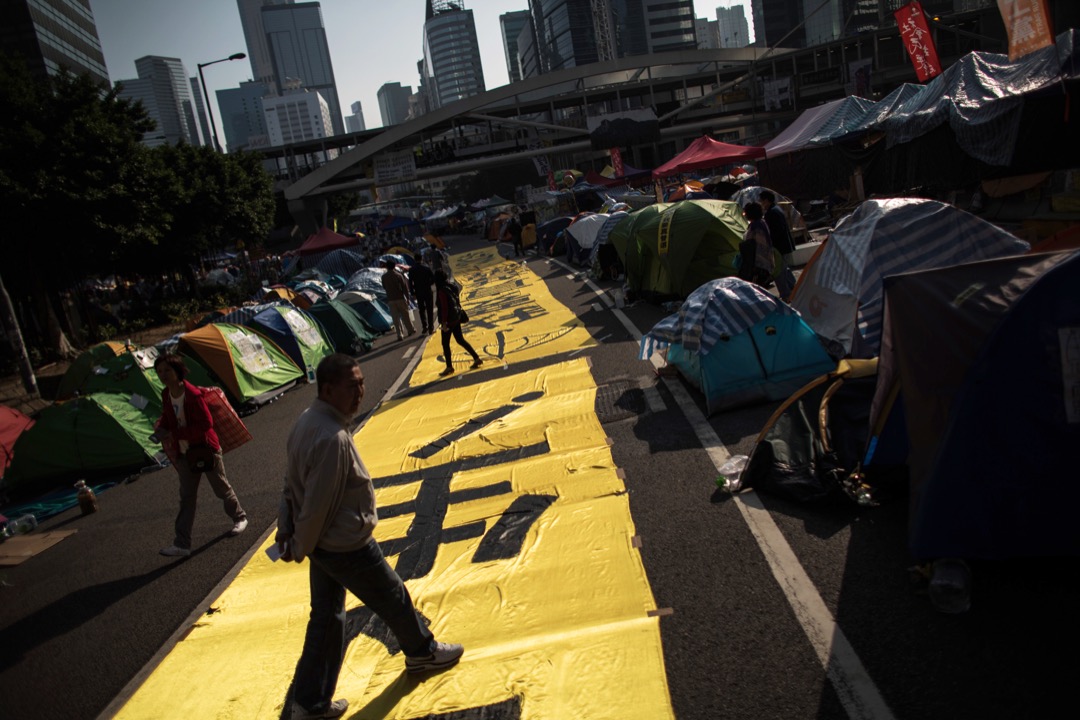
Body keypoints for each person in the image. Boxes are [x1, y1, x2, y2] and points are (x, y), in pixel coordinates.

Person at [276, 354, 464, 719]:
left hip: (323, 545)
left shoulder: (307, 422)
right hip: (344, 543)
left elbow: (290, 486)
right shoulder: (332, 438)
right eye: (352, 385)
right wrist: (298, 545)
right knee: (392, 595)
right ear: (328, 389)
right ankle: (421, 651)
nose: (360, 391)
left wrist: (288, 528)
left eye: (362, 383)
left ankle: (310, 701)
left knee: (326, 617)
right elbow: (316, 505)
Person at [153, 353, 247, 558]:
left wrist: (174, 434)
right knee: (187, 498)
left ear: (177, 370)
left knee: (220, 487)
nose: (163, 375)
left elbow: (206, 425)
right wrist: (161, 427)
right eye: (159, 371)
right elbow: (168, 418)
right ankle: (182, 544)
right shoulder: (166, 394)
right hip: (184, 453)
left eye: (167, 370)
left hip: (205, 449)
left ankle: (240, 517)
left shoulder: (193, 395)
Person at [434, 270, 482, 377]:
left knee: (445, 344)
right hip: (456, 317)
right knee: (460, 339)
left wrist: (444, 323)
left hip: (449, 321)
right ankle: (476, 357)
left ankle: (449, 367)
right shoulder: (452, 286)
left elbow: (445, 308)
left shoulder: (442, 291)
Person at [758, 190, 798, 300]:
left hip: (779, 246)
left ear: (766, 201)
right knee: (784, 269)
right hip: (783, 245)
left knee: (779, 272)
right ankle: (794, 289)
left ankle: (786, 294)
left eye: (761, 201)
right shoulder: (774, 210)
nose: (761, 203)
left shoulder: (772, 213)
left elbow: (777, 231)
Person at [739, 202, 775, 289]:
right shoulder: (762, 223)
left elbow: (755, 246)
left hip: (758, 265)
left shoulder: (755, 227)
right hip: (765, 262)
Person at [380, 259, 415, 340]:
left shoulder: (384, 277)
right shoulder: (399, 275)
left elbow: (384, 287)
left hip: (391, 299)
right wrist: (408, 298)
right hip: (400, 298)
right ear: (394, 266)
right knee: (405, 316)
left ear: (387, 267)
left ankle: (400, 335)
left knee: (396, 319)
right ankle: (410, 330)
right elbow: (405, 287)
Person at [407, 255, 436, 335]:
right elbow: (433, 279)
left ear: (415, 259)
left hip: (418, 292)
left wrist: (412, 292)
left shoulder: (412, 270)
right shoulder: (426, 268)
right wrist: (428, 284)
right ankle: (431, 328)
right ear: (421, 259)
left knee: (421, 310)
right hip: (427, 290)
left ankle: (424, 326)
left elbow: (410, 282)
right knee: (430, 310)